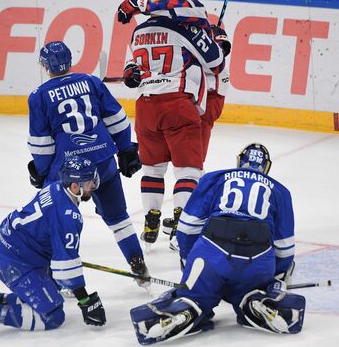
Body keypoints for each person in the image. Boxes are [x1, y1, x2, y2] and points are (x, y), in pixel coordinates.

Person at [129, 144, 305, 344]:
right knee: (249, 290)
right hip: (257, 260)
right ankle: (256, 299)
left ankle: (188, 306)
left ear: (239, 161)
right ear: (266, 167)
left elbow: (187, 227)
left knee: (196, 294)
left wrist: (189, 261)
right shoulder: (280, 191)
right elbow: (285, 249)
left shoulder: (215, 178)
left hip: (212, 254)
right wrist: (272, 281)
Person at [26, 41, 149, 285]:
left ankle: (56, 278)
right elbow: (117, 119)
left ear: (44, 66)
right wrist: (125, 149)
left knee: (57, 219)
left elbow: (42, 144)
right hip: (103, 160)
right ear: (70, 60)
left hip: (68, 170)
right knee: (119, 218)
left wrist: (42, 173)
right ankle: (138, 263)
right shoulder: (91, 82)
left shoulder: (39, 96)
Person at [119, 0, 228, 251]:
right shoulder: (186, 27)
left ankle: (151, 218)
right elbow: (215, 63)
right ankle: (181, 225)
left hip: (145, 108)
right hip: (178, 104)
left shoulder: (138, 32)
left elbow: (133, 68)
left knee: (153, 168)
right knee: (188, 170)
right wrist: (215, 42)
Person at [0, 156, 106, 339]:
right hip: (14, 261)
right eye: (89, 182)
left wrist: (63, 258)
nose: (93, 185)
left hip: (16, 248)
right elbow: (66, 266)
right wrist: (85, 300)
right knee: (52, 316)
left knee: (53, 292)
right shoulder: (68, 215)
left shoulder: (55, 187)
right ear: (75, 186)